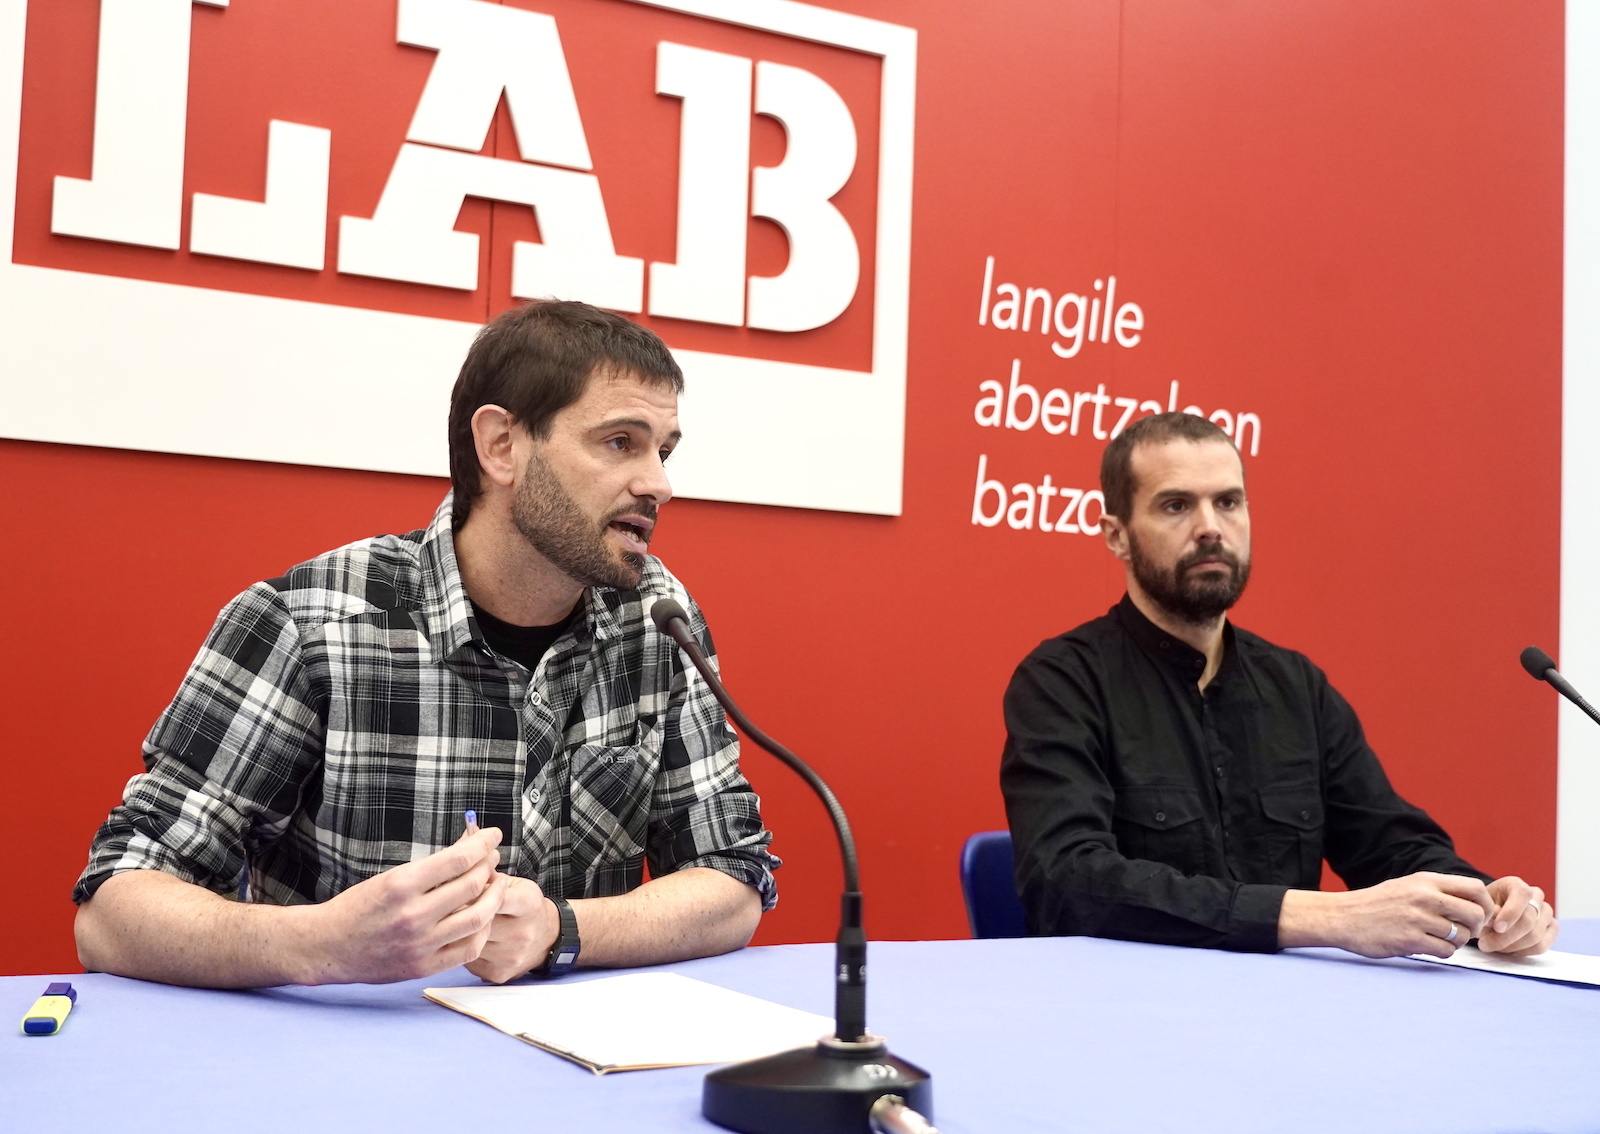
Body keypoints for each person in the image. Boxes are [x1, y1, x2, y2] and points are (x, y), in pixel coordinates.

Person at [74, 300, 778, 989]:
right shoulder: (310, 622)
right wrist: (322, 945)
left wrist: (559, 930)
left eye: (664, 451)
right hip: (343, 1054)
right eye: (621, 442)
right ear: (501, 445)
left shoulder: (656, 618)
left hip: (569, 1060)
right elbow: (112, 910)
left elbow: (733, 879)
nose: (659, 484)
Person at [1000, 412, 1557, 959]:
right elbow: (1065, 882)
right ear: (1117, 536)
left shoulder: (1296, 687)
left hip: (1289, 1005)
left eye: (1228, 502)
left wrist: (1485, 902)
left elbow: (1388, 842)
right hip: (1130, 1001)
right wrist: (1326, 918)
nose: (1210, 527)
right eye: (1176, 505)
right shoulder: (1062, 682)